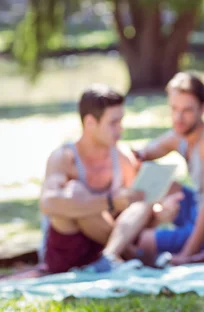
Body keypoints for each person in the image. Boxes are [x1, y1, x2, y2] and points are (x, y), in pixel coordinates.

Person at [133, 72, 204, 266]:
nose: (178, 117)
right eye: (174, 109)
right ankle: (133, 225)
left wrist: (185, 255)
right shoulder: (181, 134)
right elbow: (143, 154)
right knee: (163, 183)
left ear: (203, 108)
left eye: (187, 110)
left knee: (143, 240)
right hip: (197, 207)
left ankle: (197, 252)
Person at [39, 85, 148, 273]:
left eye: (121, 121)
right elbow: (48, 203)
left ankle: (110, 256)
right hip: (68, 252)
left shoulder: (122, 158)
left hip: (105, 248)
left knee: (143, 204)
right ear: (90, 123)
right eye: (113, 123)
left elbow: (132, 213)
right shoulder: (64, 157)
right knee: (76, 193)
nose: (120, 129)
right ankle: (130, 255)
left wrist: (160, 211)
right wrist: (109, 202)